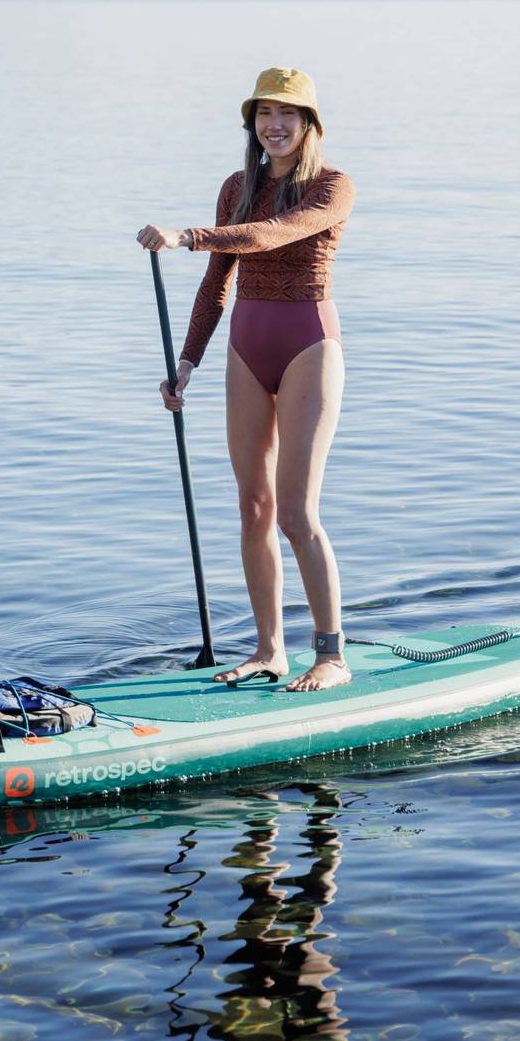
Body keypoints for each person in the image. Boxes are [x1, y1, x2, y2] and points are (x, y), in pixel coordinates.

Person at [136, 67, 356, 693]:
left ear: (309, 124)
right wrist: (186, 363)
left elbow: (270, 235)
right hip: (245, 347)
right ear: (252, 124)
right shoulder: (237, 185)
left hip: (309, 346)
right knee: (252, 506)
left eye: (288, 114)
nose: (275, 126)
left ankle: (331, 654)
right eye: (264, 115)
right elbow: (217, 285)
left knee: (295, 512)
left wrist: (188, 237)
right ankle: (268, 649)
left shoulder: (333, 187)